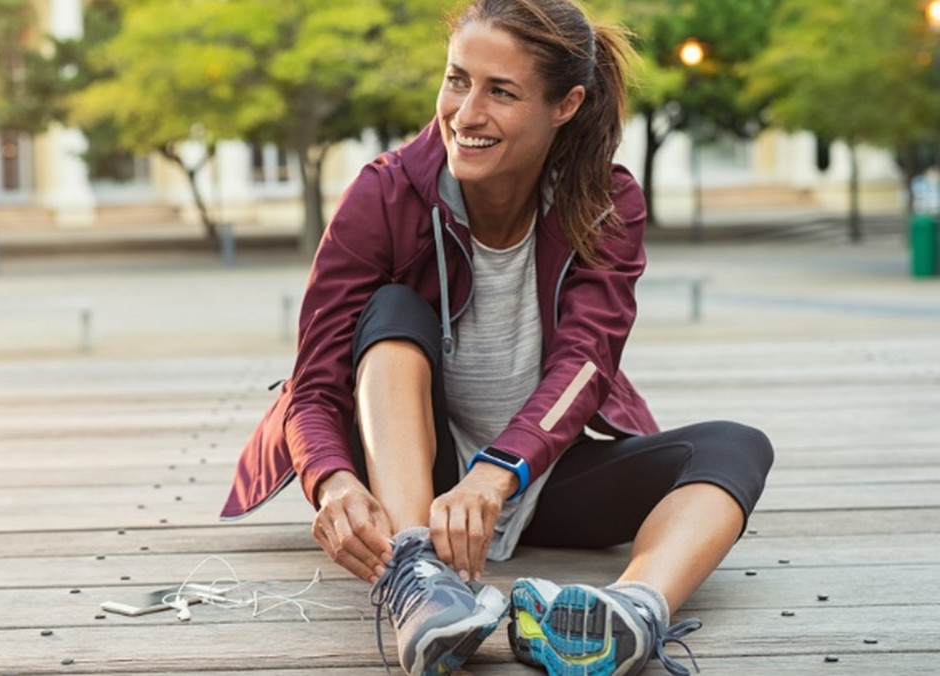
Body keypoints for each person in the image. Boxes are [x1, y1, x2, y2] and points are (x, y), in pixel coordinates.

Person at [221, 0, 774, 675]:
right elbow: (313, 383)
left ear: (564, 105)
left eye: (501, 92)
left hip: (532, 477)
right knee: (392, 309)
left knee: (736, 446)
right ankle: (419, 575)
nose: (465, 113)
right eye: (457, 80)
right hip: (416, 481)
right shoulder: (385, 194)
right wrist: (333, 482)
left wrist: (498, 475)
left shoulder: (605, 202)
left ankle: (631, 614)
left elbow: (586, 364)